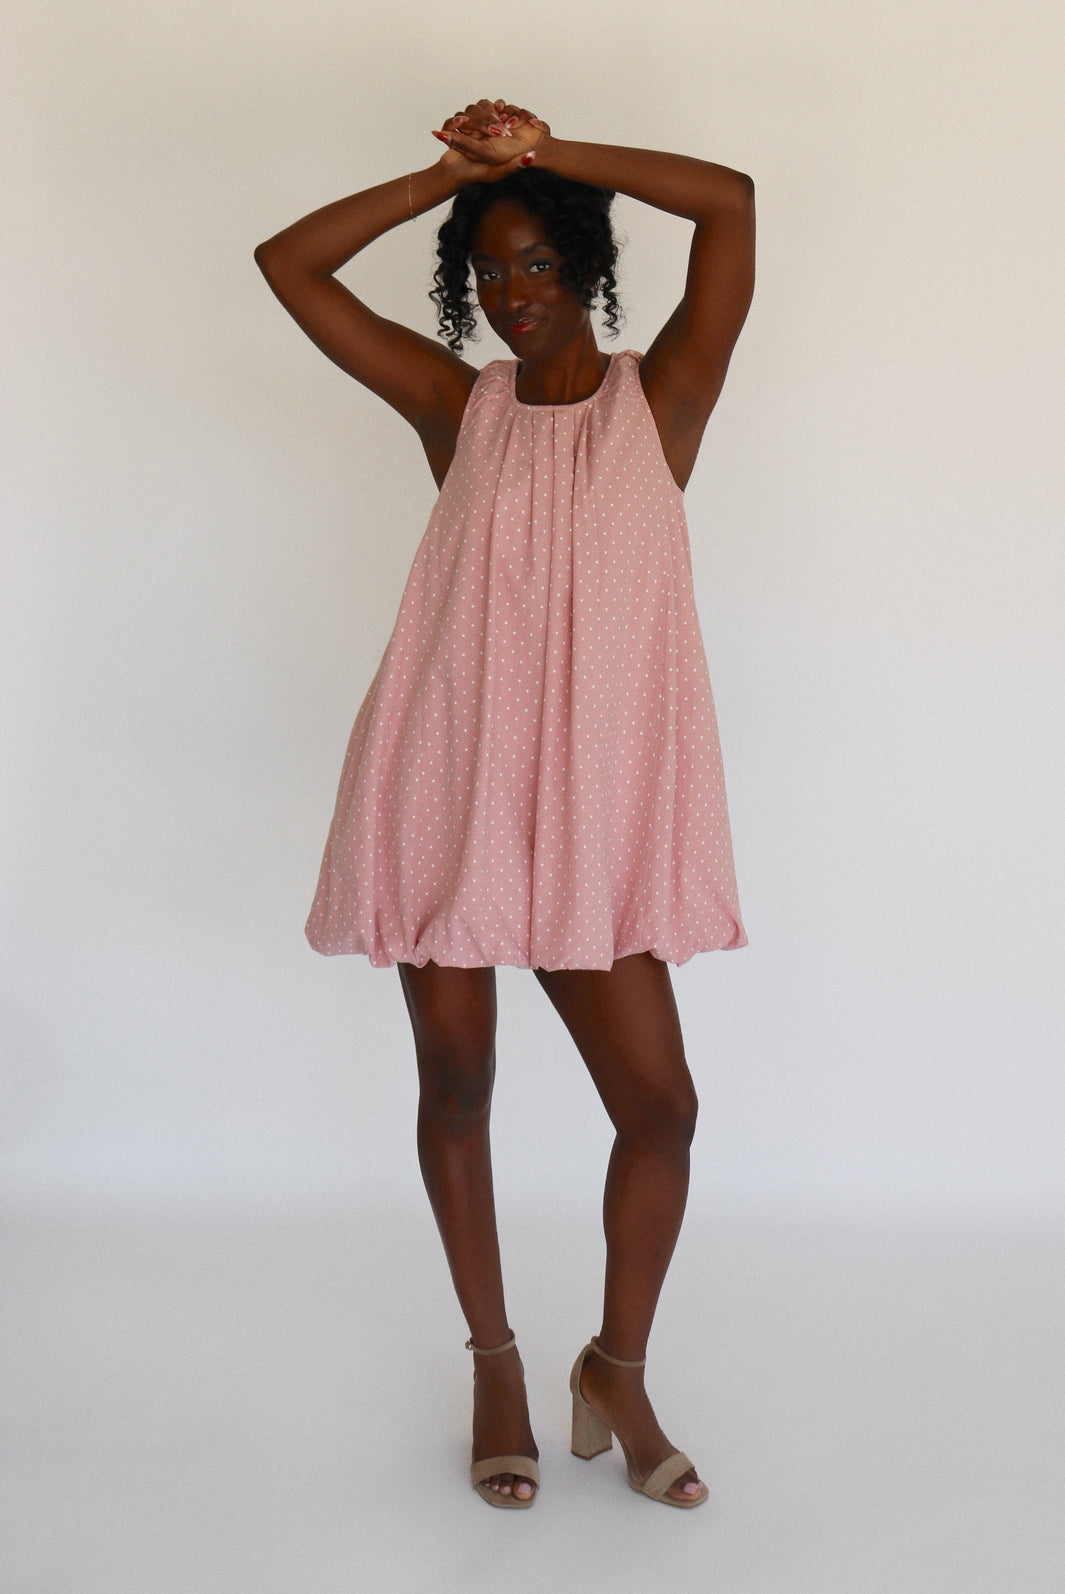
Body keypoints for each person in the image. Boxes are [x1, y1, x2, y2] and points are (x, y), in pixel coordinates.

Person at [254, 97, 755, 1510]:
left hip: (588, 829)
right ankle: (494, 1361)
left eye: (537, 262)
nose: (512, 292)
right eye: (488, 270)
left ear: (585, 264)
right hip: (447, 794)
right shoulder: (454, 407)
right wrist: (448, 181)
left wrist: (544, 160)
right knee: (458, 1085)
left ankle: (618, 1367)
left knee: (660, 1109)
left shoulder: (665, 401)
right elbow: (288, 265)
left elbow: (730, 202)